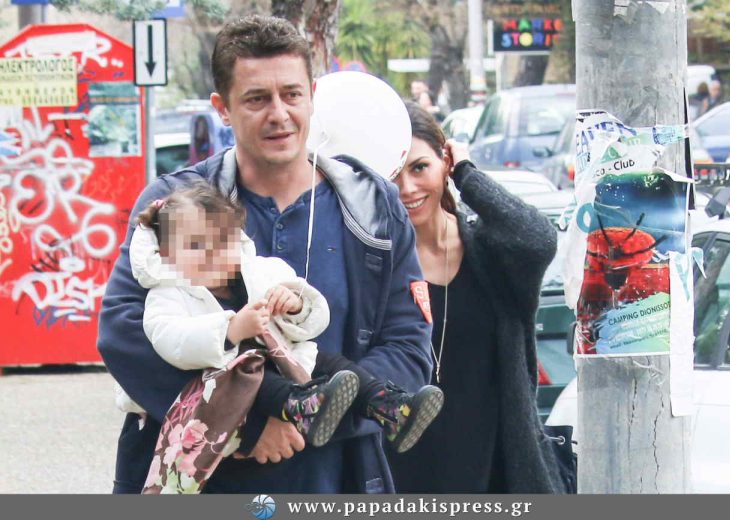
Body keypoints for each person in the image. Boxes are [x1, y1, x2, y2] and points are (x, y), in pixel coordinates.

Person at [98, 15, 433, 494]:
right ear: (222, 108)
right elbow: (124, 333)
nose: (279, 114)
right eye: (256, 99)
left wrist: (311, 417)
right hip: (201, 483)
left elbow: (407, 348)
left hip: (335, 480)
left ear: (312, 96)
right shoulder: (175, 205)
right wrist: (245, 426)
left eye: (291, 94)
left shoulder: (373, 205)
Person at [385, 101, 569, 493]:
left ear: (444, 162)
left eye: (419, 167)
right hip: (404, 474)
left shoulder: (489, 252)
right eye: (393, 174)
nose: (407, 188)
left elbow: (538, 240)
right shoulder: (375, 264)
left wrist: (468, 174)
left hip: (497, 470)